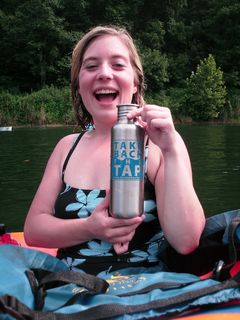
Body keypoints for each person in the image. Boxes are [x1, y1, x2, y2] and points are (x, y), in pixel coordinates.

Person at [24, 25, 205, 275]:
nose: (104, 73)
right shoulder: (66, 147)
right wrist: (90, 227)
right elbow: (33, 231)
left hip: (146, 295)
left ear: (135, 84)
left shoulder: (161, 145)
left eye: (118, 65)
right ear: (79, 85)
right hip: (68, 291)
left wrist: (171, 148)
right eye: (91, 66)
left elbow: (187, 241)